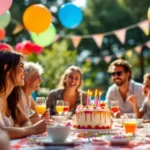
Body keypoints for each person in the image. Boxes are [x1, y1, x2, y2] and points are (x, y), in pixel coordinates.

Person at [0, 50, 47, 139]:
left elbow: (26, 122)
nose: (25, 72)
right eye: (21, 66)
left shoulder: (11, 98)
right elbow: (1, 132)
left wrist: (18, 131)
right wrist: (34, 129)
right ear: (7, 69)